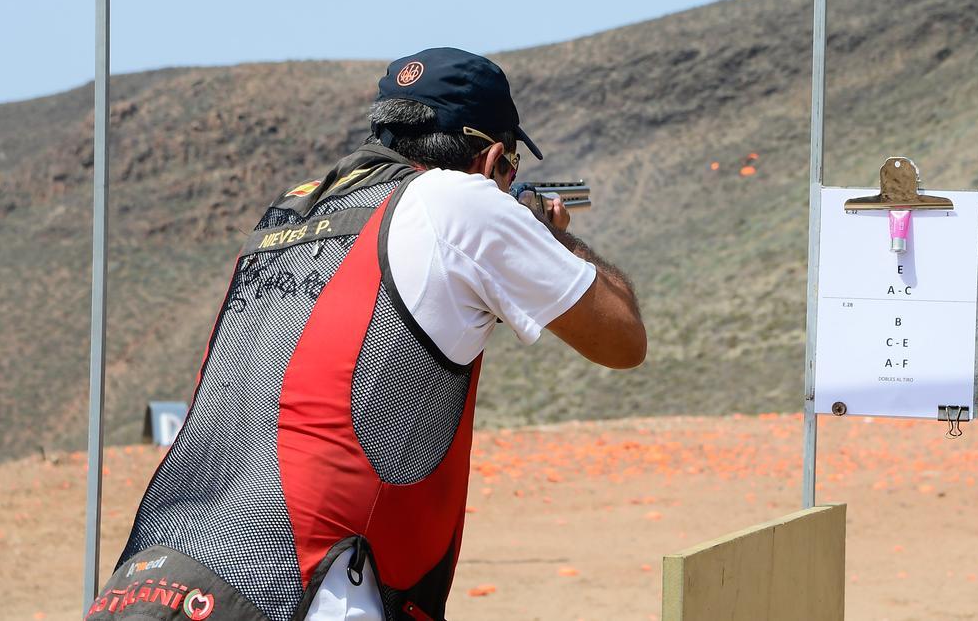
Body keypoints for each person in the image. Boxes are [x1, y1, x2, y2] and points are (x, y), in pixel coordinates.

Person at [87, 47, 645, 621]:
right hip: (303, 589)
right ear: (493, 157)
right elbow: (623, 338)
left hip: (155, 580)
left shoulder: (292, 211)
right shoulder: (458, 199)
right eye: (509, 173)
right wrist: (549, 238)